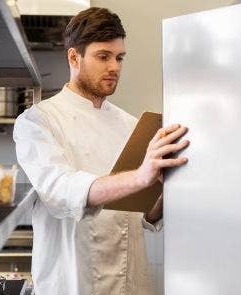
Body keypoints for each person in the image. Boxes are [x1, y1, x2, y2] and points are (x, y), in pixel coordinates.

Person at [13, 7, 189, 295]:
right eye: (103, 56)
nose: (115, 67)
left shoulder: (131, 124)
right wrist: (139, 176)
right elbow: (60, 190)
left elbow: (143, 216)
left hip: (129, 284)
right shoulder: (37, 121)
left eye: (119, 58)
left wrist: (168, 188)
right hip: (72, 283)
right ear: (74, 57)